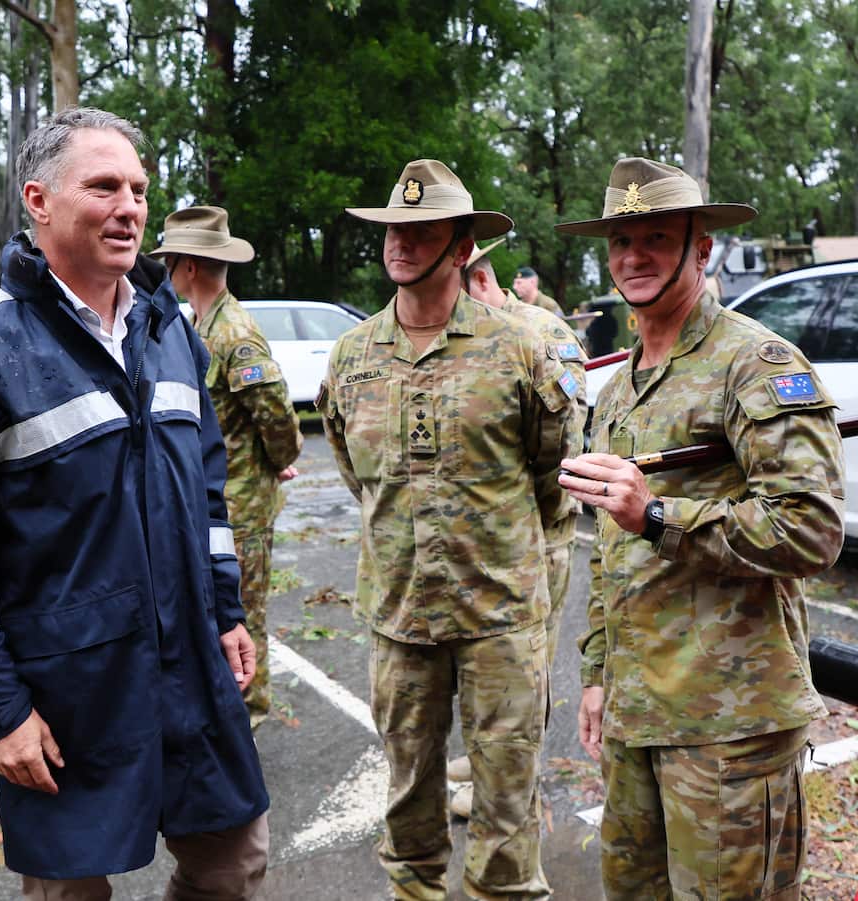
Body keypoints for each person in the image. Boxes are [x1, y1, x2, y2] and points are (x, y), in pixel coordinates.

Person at [0, 107, 269, 899]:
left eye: (137, 188)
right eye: (103, 186)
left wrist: (226, 611)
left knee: (232, 864)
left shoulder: (170, 329)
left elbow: (205, 492)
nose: (129, 206)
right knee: (69, 893)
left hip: (189, 673)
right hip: (65, 693)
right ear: (38, 200)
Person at [557, 157, 845, 900]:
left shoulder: (753, 363)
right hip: (636, 716)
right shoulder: (618, 385)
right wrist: (595, 672)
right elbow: (611, 550)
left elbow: (811, 529)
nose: (634, 256)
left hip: (730, 729)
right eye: (621, 240)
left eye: (657, 236)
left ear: (702, 247)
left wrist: (659, 515)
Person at [317, 159, 581, 900]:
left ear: (461, 248)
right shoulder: (353, 357)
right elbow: (359, 474)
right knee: (408, 804)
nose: (400, 243)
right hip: (400, 615)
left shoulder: (521, 349)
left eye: (421, 230)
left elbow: (552, 476)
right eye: (393, 229)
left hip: (501, 616)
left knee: (504, 806)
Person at [149, 205, 302, 729]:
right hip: (218, 497)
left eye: (170, 261)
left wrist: (278, 461)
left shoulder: (233, 331)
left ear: (188, 266)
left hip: (241, 501)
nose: (166, 270)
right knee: (217, 606)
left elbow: (276, 412)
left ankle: (249, 709)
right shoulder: (200, 324)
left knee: (242, 607)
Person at [452, 238, 587, 817]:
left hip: (537, 535)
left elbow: (562, 453)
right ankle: (486, 761)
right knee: (487, 667)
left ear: (480, 283)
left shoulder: (543, 334)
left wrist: (527, 520)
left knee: (527, 668)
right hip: (482, 540)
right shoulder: (471, 334)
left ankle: (511, 785)